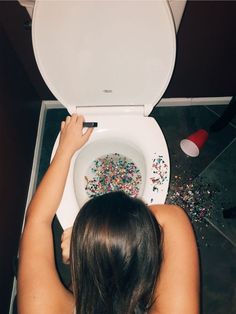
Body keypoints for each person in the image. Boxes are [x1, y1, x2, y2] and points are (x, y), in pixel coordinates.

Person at [17, 114, 200, 314]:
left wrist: (65, 149)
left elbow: (37, 219)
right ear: (150, 260)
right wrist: (120, 229)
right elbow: (172, 216)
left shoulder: (40, 307)